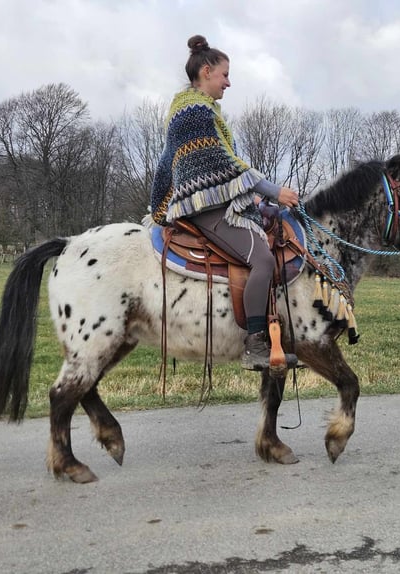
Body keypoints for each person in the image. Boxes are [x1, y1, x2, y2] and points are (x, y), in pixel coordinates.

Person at [150, 34, 299, 371]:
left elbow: (222, 165)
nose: (228, 82)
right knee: (262, 260)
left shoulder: (195, 109)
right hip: (206, 207)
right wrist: (275, 192)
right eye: (225, 74)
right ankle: (256, 346)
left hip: (215, 201)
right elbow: (221, 164)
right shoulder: (194, 113)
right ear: (206, 71)